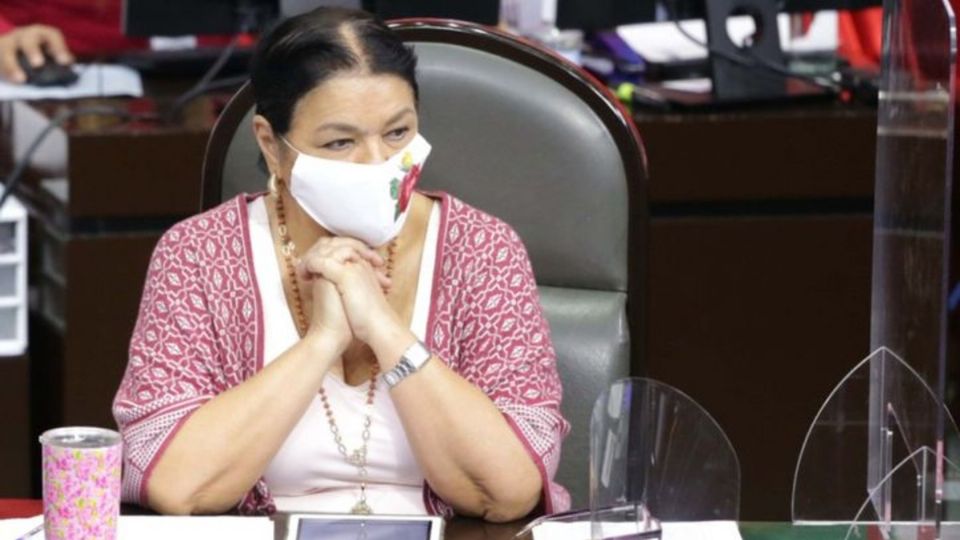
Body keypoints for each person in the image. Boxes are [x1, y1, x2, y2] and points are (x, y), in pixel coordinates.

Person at [112, 6, 569, 521]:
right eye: (340, 142)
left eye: (397, 133)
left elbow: (505, 493)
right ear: (271, 144)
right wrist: (321, 342)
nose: (377, 162)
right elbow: (178, 487)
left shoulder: (483, 249)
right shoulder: (197, 255)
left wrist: (381, 328)